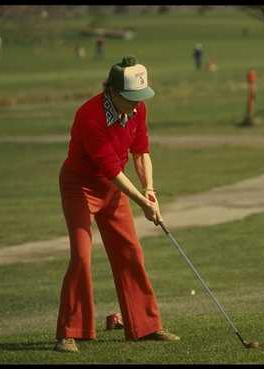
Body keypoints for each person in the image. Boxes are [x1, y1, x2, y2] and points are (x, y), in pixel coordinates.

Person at [54, 55, 180, 353]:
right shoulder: (89, 117)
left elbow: (141, 151)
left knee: (130, 252)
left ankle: (145, 326)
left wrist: (149, 190)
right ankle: (68, 332)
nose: (136, 105)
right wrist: (142, 204)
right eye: (130, 98)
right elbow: (111, 170)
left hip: (113, 190)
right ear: (111, 91)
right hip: (80, 187)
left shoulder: (137, 109)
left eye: (140, 98)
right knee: (82, 256)